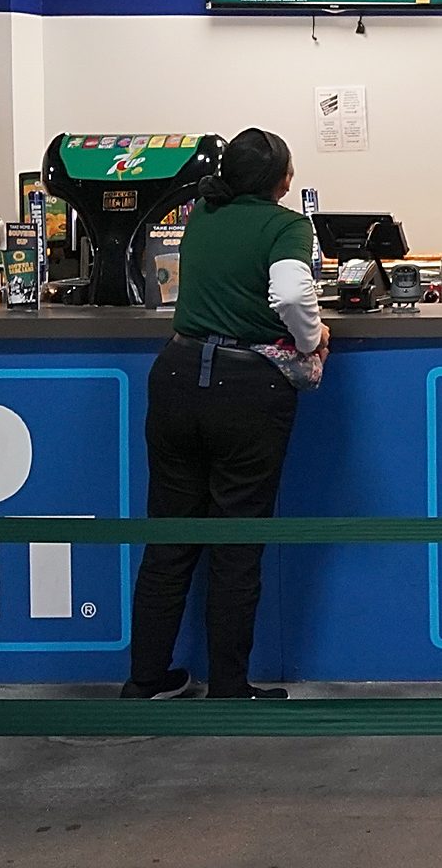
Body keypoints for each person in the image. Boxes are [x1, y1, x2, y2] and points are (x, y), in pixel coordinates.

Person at [124, 128, 326, 702]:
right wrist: (310, 341)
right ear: (280, 179)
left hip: (176, 376)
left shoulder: (202, 217)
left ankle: (144, 683)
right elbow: (290, 295)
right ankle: (230, 687)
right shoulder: (287, 224)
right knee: (237, 542)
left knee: (170, 536)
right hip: (246, 390)